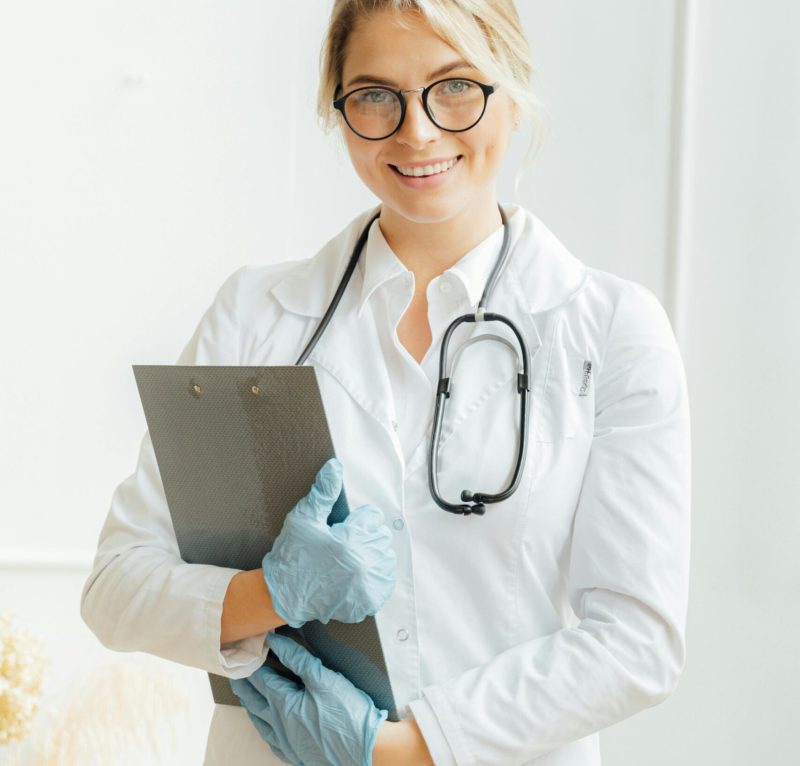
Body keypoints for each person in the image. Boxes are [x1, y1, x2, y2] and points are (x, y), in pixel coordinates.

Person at [80, 1, 692, 764]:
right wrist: (272, 593)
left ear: (512, 88)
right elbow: (116, 586)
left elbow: (638, 641)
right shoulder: (257, 315)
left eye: (456, 86)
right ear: (338, 109)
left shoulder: (609, 329)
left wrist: (396, 751)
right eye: (375, 95)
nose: (418, 130)